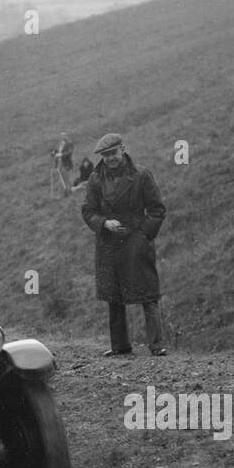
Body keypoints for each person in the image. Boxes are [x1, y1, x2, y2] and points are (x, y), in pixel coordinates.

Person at [81, 133, 168, 356]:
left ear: (123, 149)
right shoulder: (95, 179)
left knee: (148, 294)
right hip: (109, 244)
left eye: (113, 153)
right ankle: (120, 347)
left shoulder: (141, 175)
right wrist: (104, 223)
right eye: (106, 155)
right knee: (114, 297)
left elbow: (157, 210)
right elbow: (88, 212)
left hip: (136, 242)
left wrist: (143, 237)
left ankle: (157, 346)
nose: (110, 158)